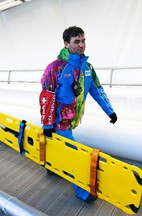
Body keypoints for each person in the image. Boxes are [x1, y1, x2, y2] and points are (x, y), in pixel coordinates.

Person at [39, 26, 117, 203]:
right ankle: (83, 192)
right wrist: (47, 125)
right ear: (66, 44)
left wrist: (110, 111)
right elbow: (47, 98)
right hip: (59, 122)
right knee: (75, 155)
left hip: (72, 120)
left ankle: (53, 167)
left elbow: (97, 90)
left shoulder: (87, 68)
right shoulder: (55, 68)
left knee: (62, 148)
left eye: (83, 41)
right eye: (76, 42)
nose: (81, 45)